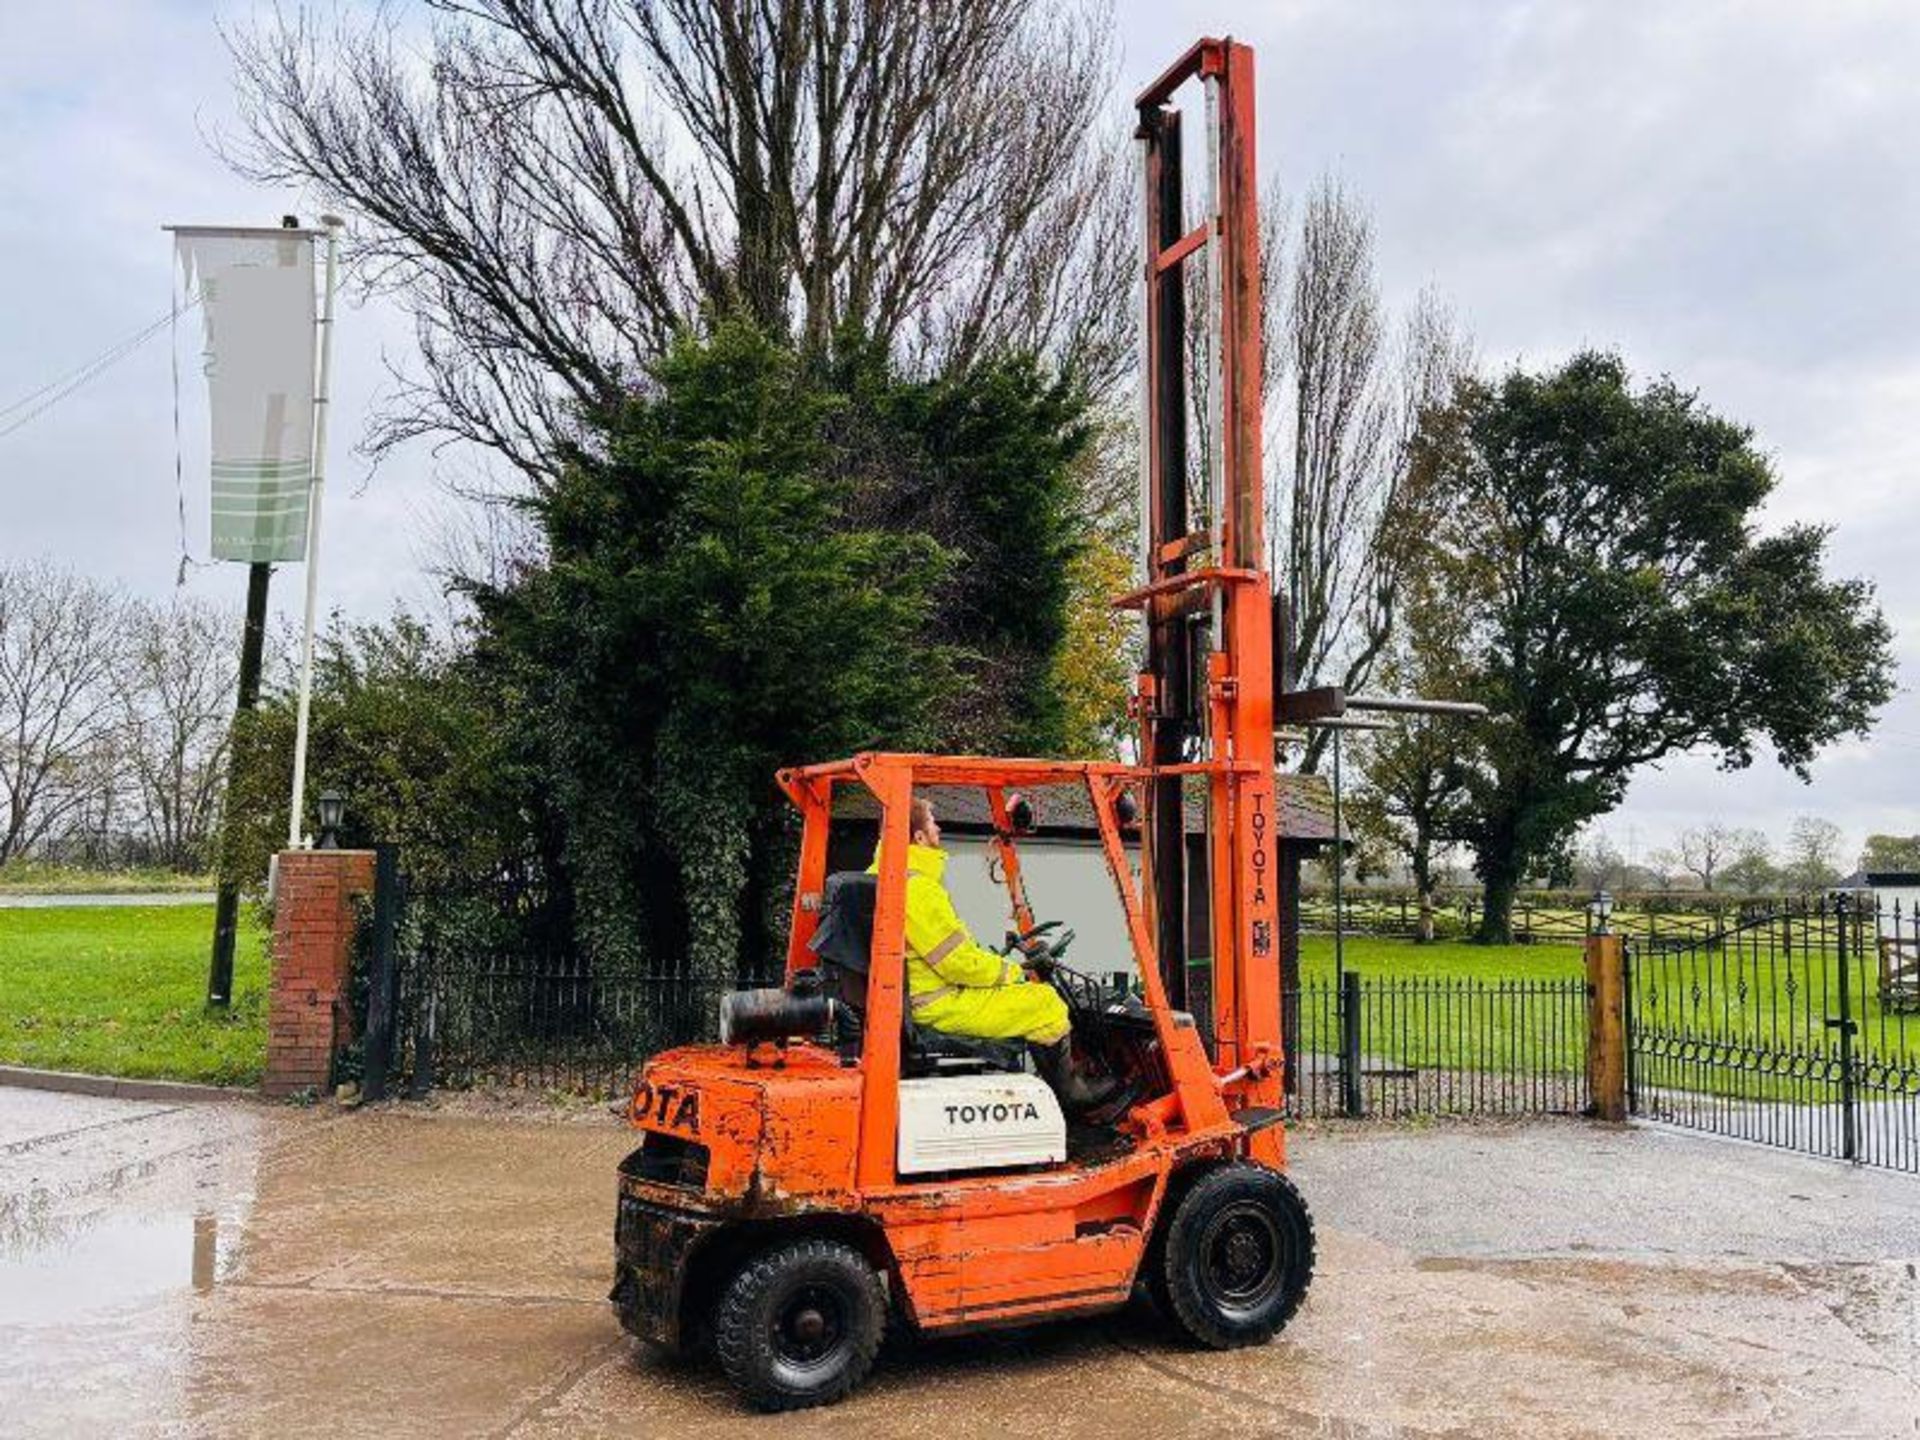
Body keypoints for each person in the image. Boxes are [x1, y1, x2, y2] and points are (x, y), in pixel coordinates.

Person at [871, 796, 1118, 1111]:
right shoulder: (917, 888)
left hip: (918, 997)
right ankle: (1074, 1097)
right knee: (1045, 1004)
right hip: (937, 1003)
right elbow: (957, 964)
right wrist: (1011, 971)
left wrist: (995, 969)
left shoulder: (883, 875)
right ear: (918, 837)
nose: (939, 827)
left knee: (1022, 997)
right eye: (932, 822)